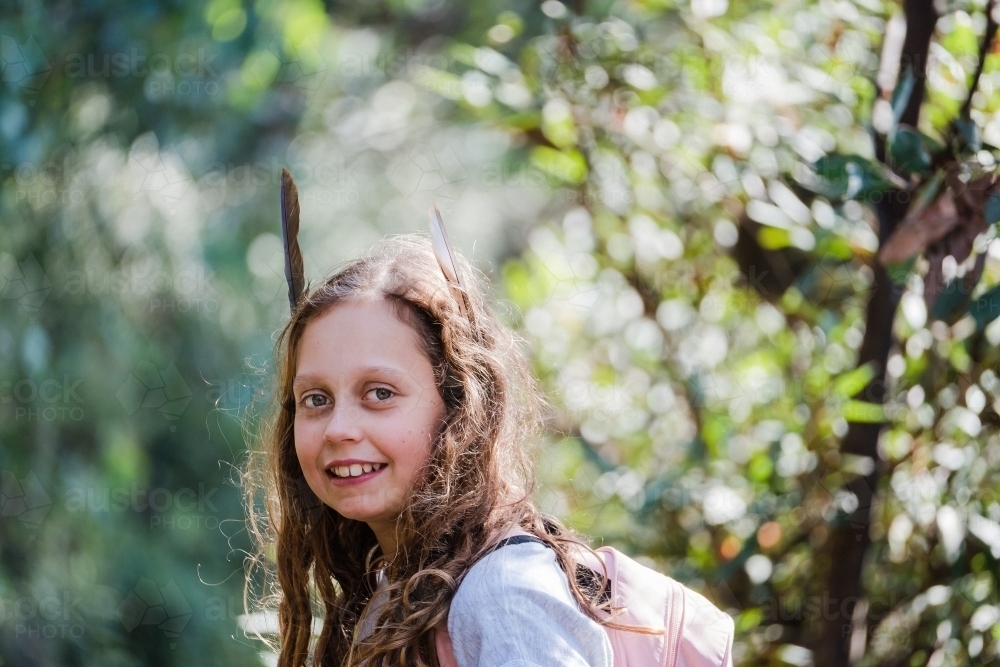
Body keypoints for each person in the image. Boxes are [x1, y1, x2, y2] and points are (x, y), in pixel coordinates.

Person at [243, 234, 618, 667]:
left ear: (461, 407)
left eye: (379, 393)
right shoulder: (396, 588)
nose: (338, 428)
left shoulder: (503, 593)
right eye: (315, 399)